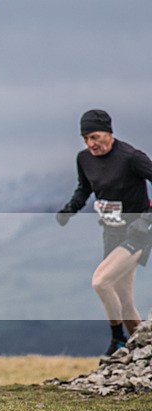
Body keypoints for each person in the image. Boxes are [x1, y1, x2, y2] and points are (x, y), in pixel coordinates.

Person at [56, 109, 152, 357]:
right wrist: (70, 209)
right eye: (86, 139)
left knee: (101, 281)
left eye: (95, 137)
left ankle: (118, 339)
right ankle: (143, 351)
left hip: (138, 232)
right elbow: (84, 189)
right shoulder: (84, 159)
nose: (91, 144)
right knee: (124, 298)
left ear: (109, 133)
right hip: (111, 233)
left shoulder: (131, 158)